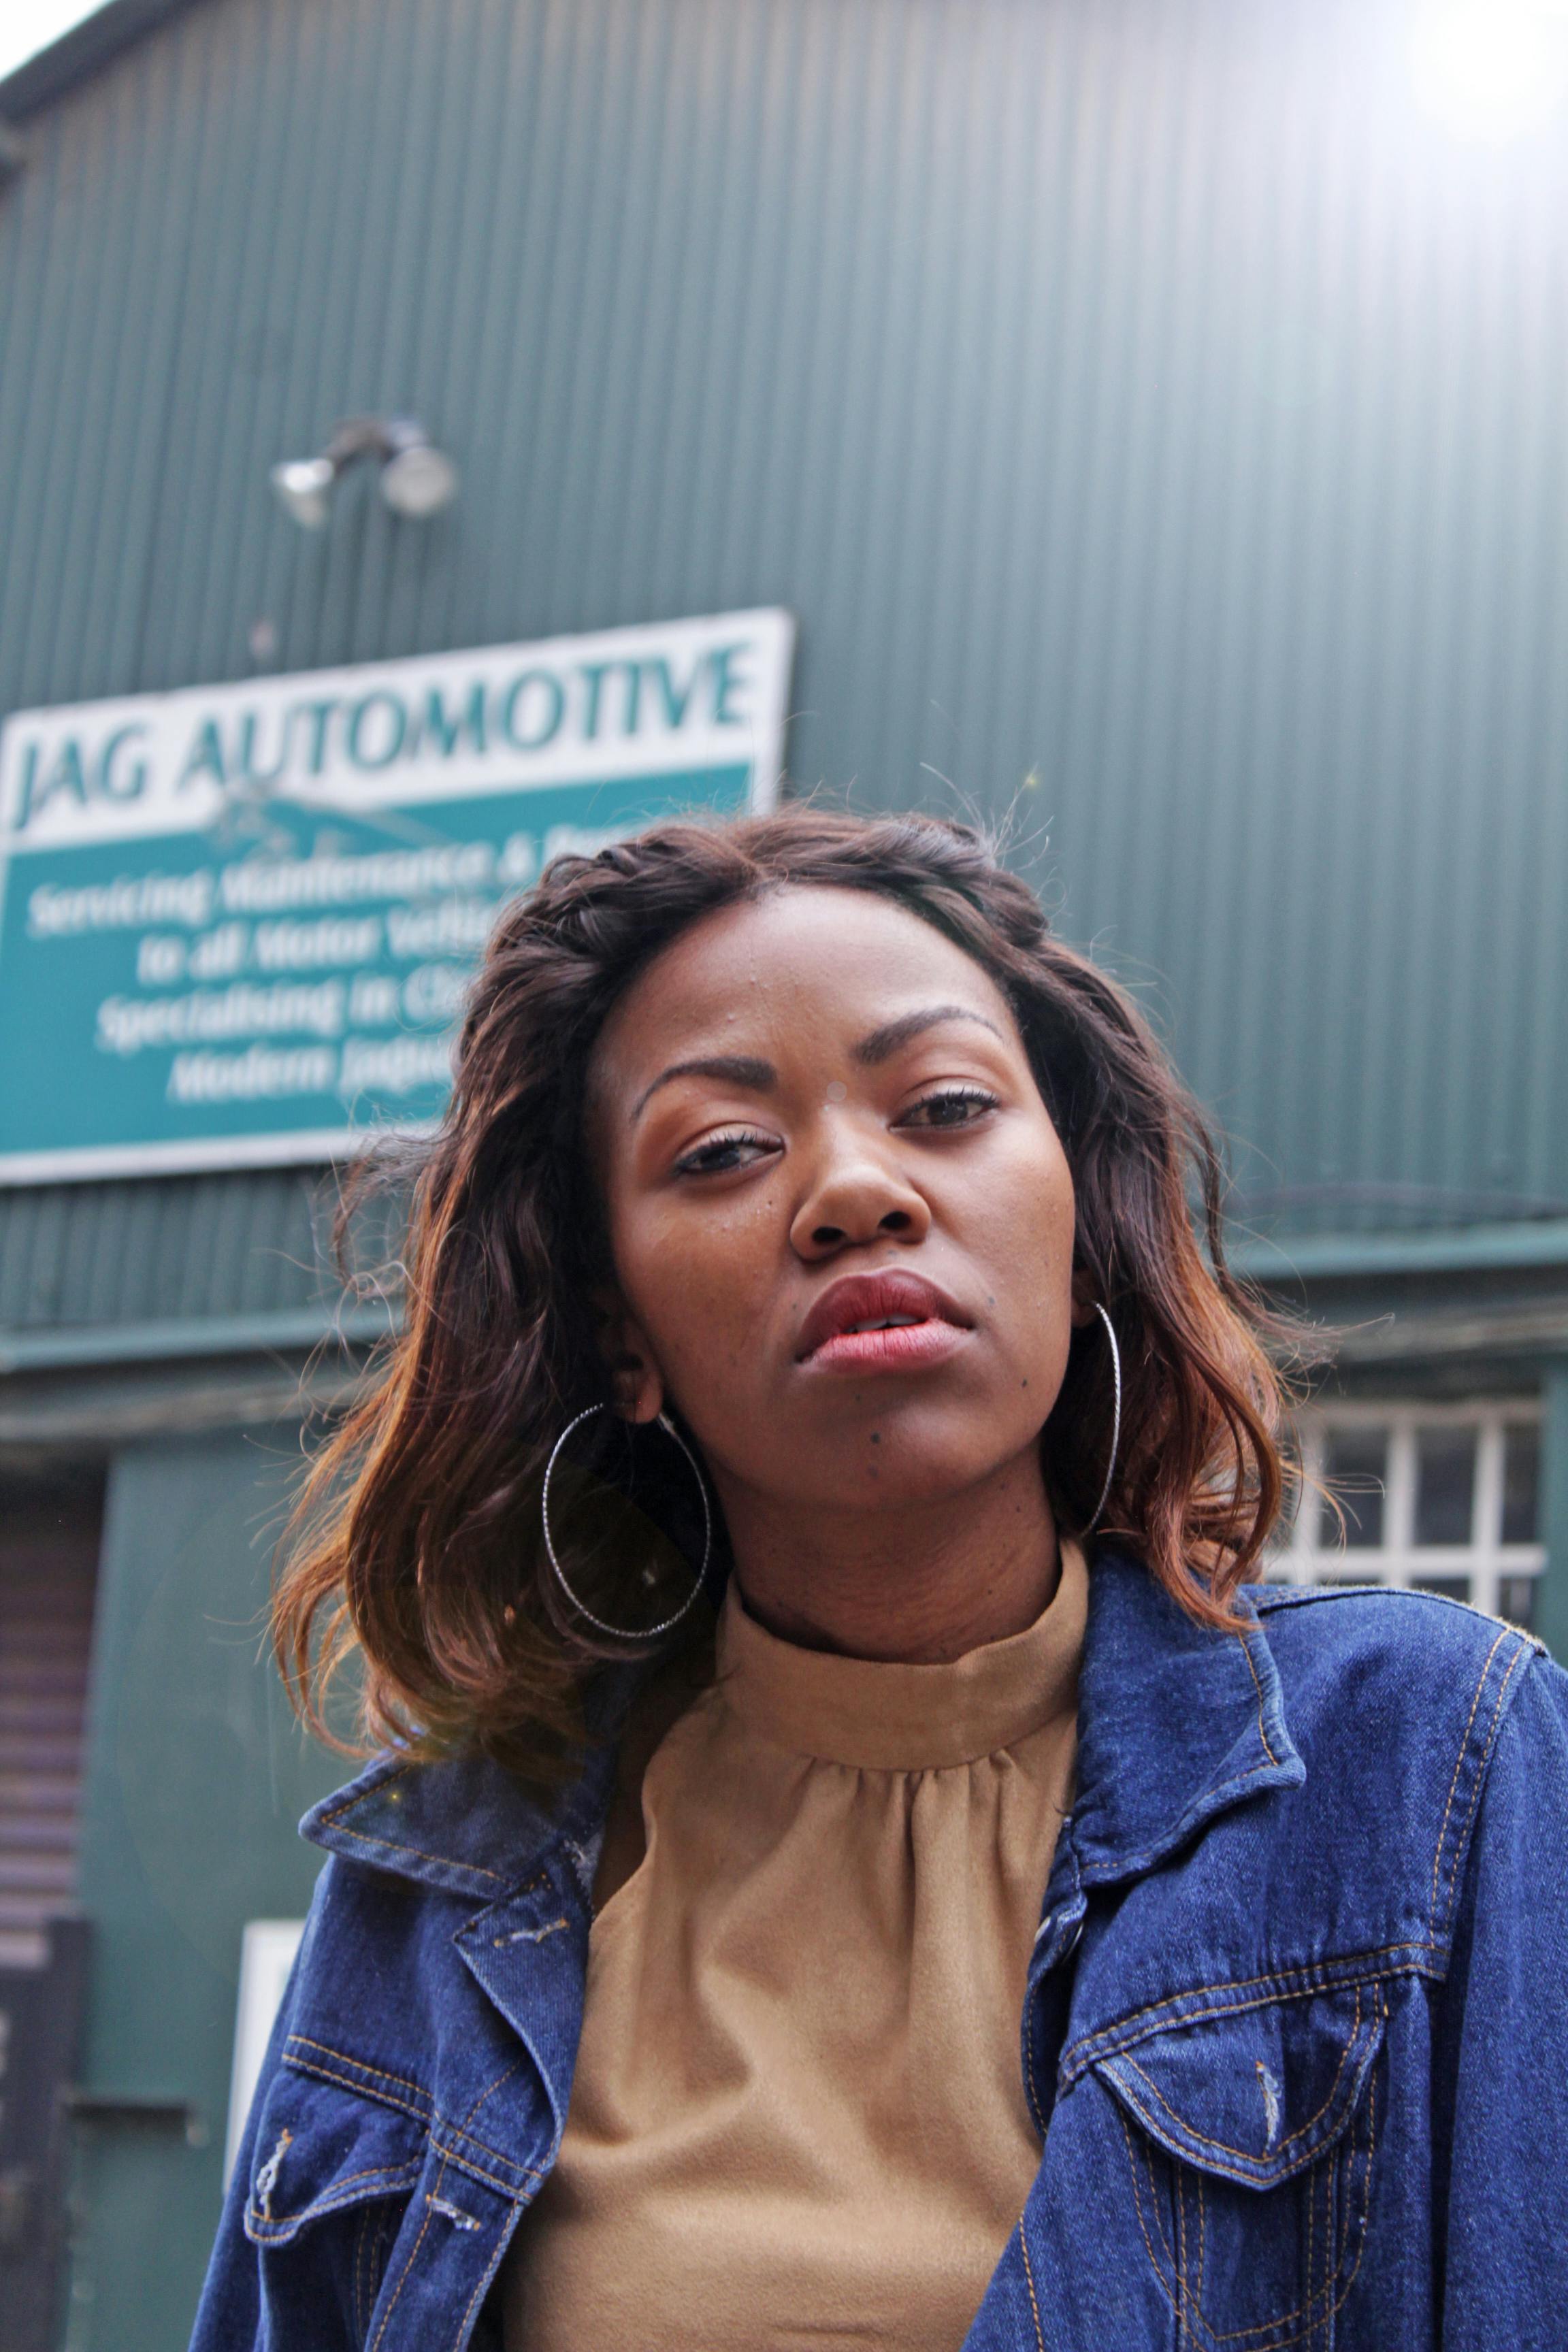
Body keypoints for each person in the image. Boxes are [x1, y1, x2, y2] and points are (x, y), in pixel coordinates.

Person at [193, 808, 1568, 2352]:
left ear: (1080, 1227)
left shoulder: (1438, 1764)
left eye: (947, 1105)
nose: (854, 1190)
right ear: (623, 1333)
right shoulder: (441, 1868)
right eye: (721, 1151)